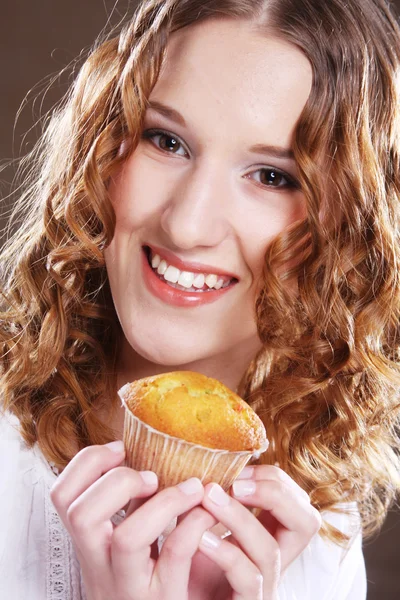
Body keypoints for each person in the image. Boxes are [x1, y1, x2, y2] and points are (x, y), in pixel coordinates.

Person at [1, 0, 400, 597]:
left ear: (352, 231)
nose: (187, 225)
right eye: (166, 140)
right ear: (103, 145)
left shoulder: (316, 537)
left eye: (272, 176)